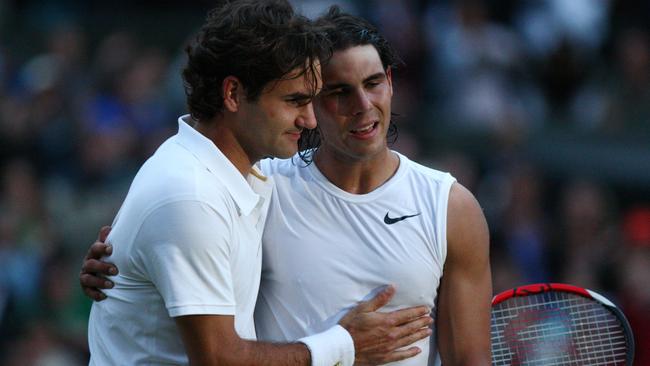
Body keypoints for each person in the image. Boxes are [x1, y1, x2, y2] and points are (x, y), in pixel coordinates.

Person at [81, 5, 492, 365]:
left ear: (390, 80)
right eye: (336, 93)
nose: (363, 106)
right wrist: (117, 268)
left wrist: (123, 266)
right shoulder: (254, 185)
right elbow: (174, 221)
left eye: (372, 83)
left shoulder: (450, 208)